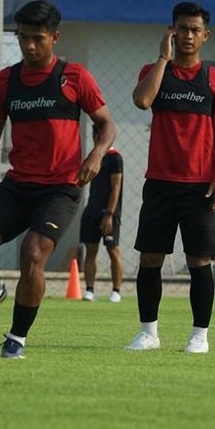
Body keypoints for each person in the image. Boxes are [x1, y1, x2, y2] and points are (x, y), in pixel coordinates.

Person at [0, 0, 116, 359]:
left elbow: (107, 124)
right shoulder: (5, 81)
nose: (29, 45)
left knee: (33, 252)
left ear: (55, 37)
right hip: (19, 185)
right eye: (22, 37)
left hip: (60, 188)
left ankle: (16, 339)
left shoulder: (75, 77)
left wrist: (96, 155)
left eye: (37, 38)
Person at [126, 2, 215, 354]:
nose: (187, 36)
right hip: (159, 183)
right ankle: (148, 333)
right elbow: (142, 101)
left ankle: (199, 336)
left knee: (199, 262)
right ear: (171, 31)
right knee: (150, 260)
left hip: (199, 186)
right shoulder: (154, 71)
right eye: (181, 29)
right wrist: (162, 58)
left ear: (205, 36)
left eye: (194, 30)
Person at [78, 123, 124, 302]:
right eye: (94, 134)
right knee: (90, 250)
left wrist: (110, 215)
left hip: (109, 213)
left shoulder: (115, 158)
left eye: (98, 134)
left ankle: (116, 291)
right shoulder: (93, 157)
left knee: (113, 250)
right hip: (91, 211)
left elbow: (116, 188)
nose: (95, 138)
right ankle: (90, 290)